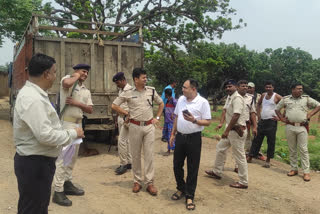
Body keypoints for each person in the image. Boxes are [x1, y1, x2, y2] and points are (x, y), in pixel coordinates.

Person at [13, 53, 84, 214]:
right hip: (35, 164)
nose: (54, 77)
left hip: (37, 162)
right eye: (54, 72)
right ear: (46, 74)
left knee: (37, 206)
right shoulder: (33, 99)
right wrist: (72, 134)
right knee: (32, 208)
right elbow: (45, 135)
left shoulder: (36, 95)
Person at [112, 68, 164, 196]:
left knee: (149, 155)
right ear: (136, 79)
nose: (145, 79)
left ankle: (150, 183)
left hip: (149, 127)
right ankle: (137, 181)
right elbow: (114, 105)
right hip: (134, 127)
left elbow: (161, 103)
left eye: (146, 77)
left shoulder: (151, 91)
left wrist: (156, 118)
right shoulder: (128, 92)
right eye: (143, 77)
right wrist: (125, 113)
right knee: (135, 155)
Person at [52, 63, 93, 206]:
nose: (85, 74)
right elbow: (67, 83)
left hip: (78, 125)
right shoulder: (68, 80)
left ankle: (67, 183)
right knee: (63, 159)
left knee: (72, 158)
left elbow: (90, 109)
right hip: (66, 124)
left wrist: (76, 103)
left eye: (87, 73)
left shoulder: (86, 90)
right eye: (83, 71)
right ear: (75, 71)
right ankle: (58, 191)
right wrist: (76, 75)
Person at [169, 79, 211, 211]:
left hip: (194, 138)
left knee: (192, 168)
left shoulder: (203, 102)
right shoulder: (181, 99)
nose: (182, 89)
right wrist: (172, 134)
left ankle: (189, 195)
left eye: (185, 87)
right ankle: (181, 188)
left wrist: (195, 120)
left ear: (193, 89)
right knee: (177, 165)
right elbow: (176, 117)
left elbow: (208, 122)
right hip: (180, 137)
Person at [205, 79, 249, 189]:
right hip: (231, 130)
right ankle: (217, 172)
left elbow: (236, 116)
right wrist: (223, 126)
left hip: (237, 131)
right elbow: (226, 112)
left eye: (230, 86)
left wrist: (226, 130)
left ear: (236, 87)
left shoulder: (237, 98)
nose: (228, 88)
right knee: (220, 148)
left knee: (239, 156)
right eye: (226, 87)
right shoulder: (230, 98)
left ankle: (243, 181)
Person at [275, 83, 320, 181]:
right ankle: (293, 169)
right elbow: (277, 109)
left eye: (301, 89)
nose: (300, 90)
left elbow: (318, 105)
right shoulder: (286, 99)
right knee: (292, 149)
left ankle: (306, 172)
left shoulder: (306, 99)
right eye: (298, 89)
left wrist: (310, 114)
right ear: (293, 90)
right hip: (290, 126)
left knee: (303, 149)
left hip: (302, 127)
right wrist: (282, 118)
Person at [247, 80, 282, 168]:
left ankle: (268, 161)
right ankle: (250, 156)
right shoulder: (263, 95)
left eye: (270, 87)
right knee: (256, 139)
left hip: (272, 122)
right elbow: (258, 104)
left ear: (273, 87)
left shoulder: (277, 96)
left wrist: (280, 117)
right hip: (262, 121)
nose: (268, 88)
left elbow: (286, 105)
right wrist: (258, 115)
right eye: (267, 87)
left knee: (271, 141)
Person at [234, 80, 257, 173]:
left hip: (244, 125)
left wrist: (255, 126)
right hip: (233, 125)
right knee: (223, 147)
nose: (245, 88)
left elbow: (252, 112)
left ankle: (237, 166)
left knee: (241, 146)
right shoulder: (233, 96)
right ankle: (217, 168)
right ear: (237, 87)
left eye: (246, 86)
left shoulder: (251, 98)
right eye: (243, 86)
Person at [112, 72, 132, 175]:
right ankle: (129, 162)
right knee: (127, 141)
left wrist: (125, 114)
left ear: (122, 80)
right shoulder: (121, 90)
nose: (117, 85)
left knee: (122, 141)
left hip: (126, 118)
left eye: (118, 83)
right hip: (121, 117)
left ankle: (123, 164)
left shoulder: (129, 90)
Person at [247, 82, 265, 160]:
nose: (249, 89)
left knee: (257, 135)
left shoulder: (259, 96)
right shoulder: (244, 96)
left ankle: (258, 152)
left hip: (256, 118)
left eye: (251, 87)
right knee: (246, 136)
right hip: (246, 118)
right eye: (248, 87)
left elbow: (261, 107)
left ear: (254, 88)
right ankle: (248, 152)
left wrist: (260, 116)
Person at [163, 88, 177, 156]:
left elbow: (177, 107)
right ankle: (170, 149)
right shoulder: (167, 101)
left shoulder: (173, 100)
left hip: (171, 121)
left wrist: (173, 113)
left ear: (166, 94)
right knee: (166, 135)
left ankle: (171, 150)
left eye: (164, 94)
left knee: (170, 136)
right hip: (167, 121)